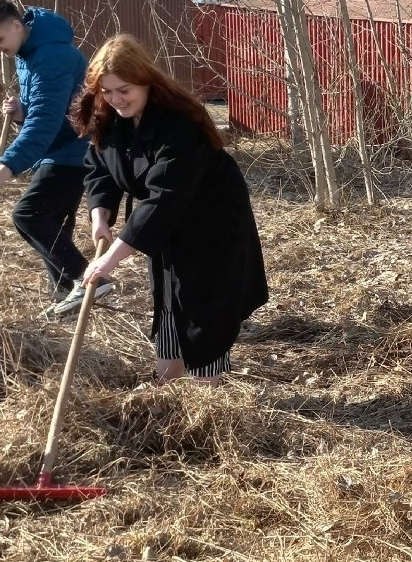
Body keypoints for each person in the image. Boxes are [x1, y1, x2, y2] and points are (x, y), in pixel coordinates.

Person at [75, 36, 268, 382]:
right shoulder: (113, 120)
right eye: (107, 91)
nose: (115, 99)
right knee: (167, 295)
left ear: (146, 81)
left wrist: (111, 258)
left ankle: (209, 394)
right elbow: (100, 166)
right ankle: (168, 382)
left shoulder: (178, 127)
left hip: (211, 223)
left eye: (124, 90)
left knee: (203, 306)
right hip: (164, 229)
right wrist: (99, 213)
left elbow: (163, 198)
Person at [0, 0, 111, 317]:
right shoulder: (29, 52)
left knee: (28, 215)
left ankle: (90, 278)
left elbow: (45, 121)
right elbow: (47, 108)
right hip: (62, 147)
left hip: (74, 150)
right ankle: (69, 295)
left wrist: (10, 164)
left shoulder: (50, 56)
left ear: (17, 26)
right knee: (54, 224)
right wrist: (21, 111)